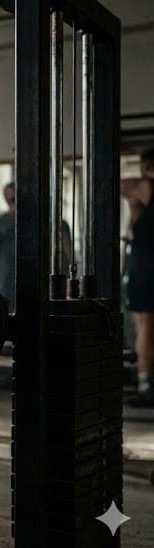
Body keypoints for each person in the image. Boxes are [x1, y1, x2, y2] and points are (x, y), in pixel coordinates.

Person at [0, 182, 73, 311]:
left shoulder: (49, 221)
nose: (13, 202)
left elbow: (66, 252)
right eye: (10, 199)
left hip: (42, 277)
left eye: (15, 199)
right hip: (9, 277)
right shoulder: (0, 222)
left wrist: (68, 280)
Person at [123, 147, 154, 407]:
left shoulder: (145, 185)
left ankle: (145, 384)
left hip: (145, 268)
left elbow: (123, 187)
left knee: (144, 325)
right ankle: (145, 381)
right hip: (143, 265)